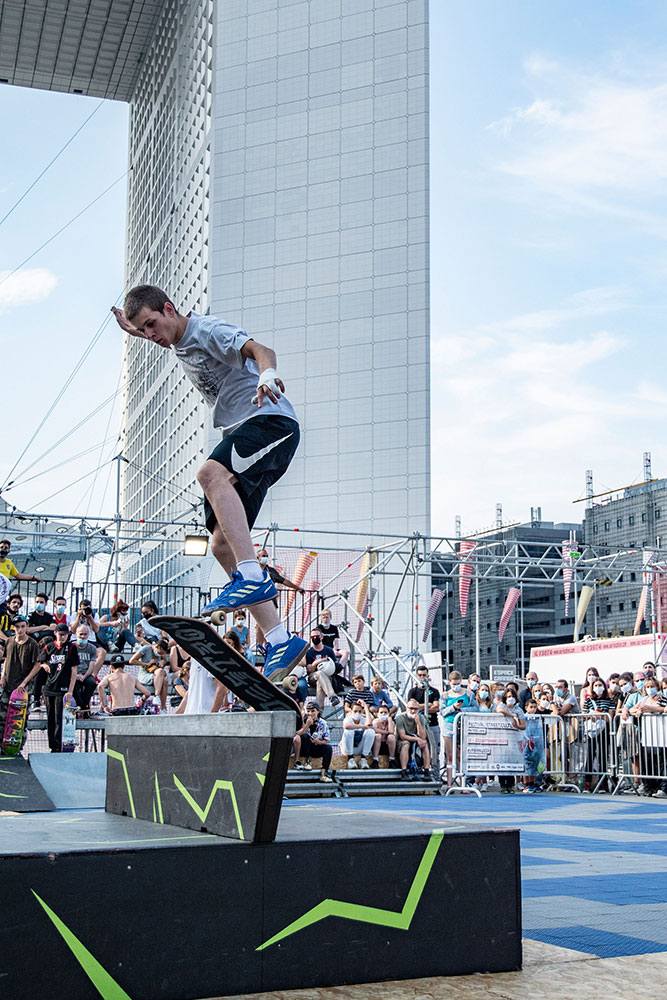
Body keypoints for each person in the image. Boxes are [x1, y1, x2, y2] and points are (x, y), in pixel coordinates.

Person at [112, 287, 306, 679]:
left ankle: (251, 576)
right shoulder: (172, 337)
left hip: (271, 424)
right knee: (220, 545)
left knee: (209, 474)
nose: (151, 335)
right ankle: (280, 639)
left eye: (152, 324)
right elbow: (158, 330)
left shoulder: (206, 330)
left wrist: (267, 374)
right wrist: (135, 329)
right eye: (144, 330)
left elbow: (261, 350)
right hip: (246, 433)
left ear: (170, 309)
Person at [0, 616, 42, 744]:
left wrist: (24, 682)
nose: (20, 630)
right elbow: (6, 659)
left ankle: (19, 745)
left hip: (23, 688)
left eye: (22, 626)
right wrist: (3, 676)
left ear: (27, 626)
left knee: (20, 718)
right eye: (17, 627)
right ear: (13, 628)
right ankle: (2, 744)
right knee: (2, 717)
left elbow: (37, 665)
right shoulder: (9, 641)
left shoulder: (32, 644)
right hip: (8, 684)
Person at [39, 624, 79, 751]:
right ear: (55, 633)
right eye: (60, 635)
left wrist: (70, 691)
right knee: (50, 718)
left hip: (62, 688)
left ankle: (59, 746)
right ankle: (52, 746)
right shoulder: (49, 647)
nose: (63, 637)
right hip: (49, 687)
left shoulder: (71, 647)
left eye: (65, 635)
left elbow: (74, 671)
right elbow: (40, 661)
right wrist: (44, 665)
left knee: (59, 718)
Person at [407, 665, 441, 778]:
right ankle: (420, 773)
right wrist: (427, 705)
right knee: (418, 749)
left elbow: (436, 707)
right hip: (417, 725)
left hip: (432, 724)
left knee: (435, 751)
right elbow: (411, 707)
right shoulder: (412, 691)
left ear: (428, 676)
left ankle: (436, 776)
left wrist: (419, 707)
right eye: (420, 675)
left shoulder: (434, 691)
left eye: (424, 675)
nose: (422, 677)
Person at [493, 687, 526, 793]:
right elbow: (499, 710)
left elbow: (523, 726)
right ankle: (503, 784)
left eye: (512, 696)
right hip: (502, 738)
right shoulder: (502, 705)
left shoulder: (518, 709)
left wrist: (517, 725)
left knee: (511, 761)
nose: (510, 698)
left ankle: (510, 785)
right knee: (502, 760)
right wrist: (512, 715)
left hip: (513, 739)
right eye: (508, 697)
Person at [394, 698, 432, 781]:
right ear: (407, 708)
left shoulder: (421, 718)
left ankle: (426, 770)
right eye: (411, 708)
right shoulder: (400, 718)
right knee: (406, 744)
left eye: (415, 709)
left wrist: (418, 723)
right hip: (403, 740)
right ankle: (404, 771)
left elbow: (423, 736)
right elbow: (402, 736)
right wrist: (417, 739)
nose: (413, 711)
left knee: (425, 744)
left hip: (415, 738)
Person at [294, 704, 333, 782]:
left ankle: (324, 772)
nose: (310, 713)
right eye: (308, 711)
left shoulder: (323, 723)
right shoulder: (303, 720)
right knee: (305, 736)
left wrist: (318, 742)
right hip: (304, 748)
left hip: (316, 747)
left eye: (313, 711)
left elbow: (326, 740)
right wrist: (307, 725)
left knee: (328, 748)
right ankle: (307, 761)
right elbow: (297, 735)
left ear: (318, 711)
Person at [129, 638, 170, 711]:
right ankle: (157, 696)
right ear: (157, 647)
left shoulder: (162, 653)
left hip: (156, 674)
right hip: (145, 674)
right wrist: (146, 664)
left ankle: (163, 708)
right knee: (160, 672)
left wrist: (163, 662)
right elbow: (131, 661)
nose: (159, 655)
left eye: (161, 654)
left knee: (165, 680)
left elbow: (164, 661)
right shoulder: (146, 648)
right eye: (159, 653)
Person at [72, 624, 105, 713]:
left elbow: (91, 665)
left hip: (86, 673)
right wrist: (76, 675)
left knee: (92, 683)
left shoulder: (92, 648)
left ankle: (84, 705)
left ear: (88, 635)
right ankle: (81, 705)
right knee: (72, 684)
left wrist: (85, 676)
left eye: (85, 634)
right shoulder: (72, 647)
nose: (83, 636)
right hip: (74, 673)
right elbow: (69, 664)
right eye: (81, 634)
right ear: (76, 634)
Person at [304, 629, 340, 708]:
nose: (315, 638)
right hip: (313, 677)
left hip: (327, 677)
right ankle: (332, 696)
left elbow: (335, 666)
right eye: (312, 637)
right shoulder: (309, 652)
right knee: (319, 673)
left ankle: (318, 711)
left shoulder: (329, 650)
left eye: (317, 636)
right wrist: (315, 663)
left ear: (321, 637)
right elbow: (309, 671)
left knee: (320, 683)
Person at [341, 699, 375, 768]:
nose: (357, 713)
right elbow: (346, 726)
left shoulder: (363, 719)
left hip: (360, 747)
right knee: (348, 731)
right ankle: (350, 759)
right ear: (351, 711)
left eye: (359, 711)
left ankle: (363, 759)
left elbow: (369, 724)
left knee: (371, 731)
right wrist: (363, 726)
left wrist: (365, 707)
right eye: (355, 711)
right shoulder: (348, 718)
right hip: (348, 748)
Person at [522, 698, 545, 792]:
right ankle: (526, 784)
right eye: (531, 707)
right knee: (526, 763)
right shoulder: (524, 717)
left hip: (535, 743)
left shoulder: (537, 718)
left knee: (535, 763)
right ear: (526, 708)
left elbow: (539, 731)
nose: (533, 709)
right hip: (526, 743)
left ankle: (533, 783)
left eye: (535, 707)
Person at [317, 607, 349, 674]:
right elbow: (318, 643)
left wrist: (334, 649)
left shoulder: (334, 628)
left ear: (330, 618)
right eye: (323, 618)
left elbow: (336, 642)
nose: (325, 619)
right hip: (323, 649)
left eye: (327, 617)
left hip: (332, 648)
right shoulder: (319, 628)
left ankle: (338, 668)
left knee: (346, 652)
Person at [371, 703, 397, 768]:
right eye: (381, 712)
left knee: (391, 737)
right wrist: (386, 732)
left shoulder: (391, 722)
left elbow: (391, 732)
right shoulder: (375, 721)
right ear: (377, 714)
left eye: (385, 712)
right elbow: (376, 730)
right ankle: (375, 760)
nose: (383, 714)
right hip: (376, 744)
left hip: (387, 744)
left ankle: (392, 759)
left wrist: (390, 720)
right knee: (378, 735)